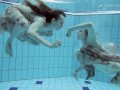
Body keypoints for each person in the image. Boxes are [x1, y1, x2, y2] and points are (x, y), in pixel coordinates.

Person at [0, 0, 66, 57]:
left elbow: (29, 34)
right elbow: (30, 32)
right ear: (53, 20)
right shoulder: (41, 21)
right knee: (24, 24)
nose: (62, 26)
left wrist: (22, 37)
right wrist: (50, 45)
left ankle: (7, 26)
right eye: (61, 23)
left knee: (35, 43)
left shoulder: (49, 32)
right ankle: (9, 42)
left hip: (16, 21)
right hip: (13, 10)